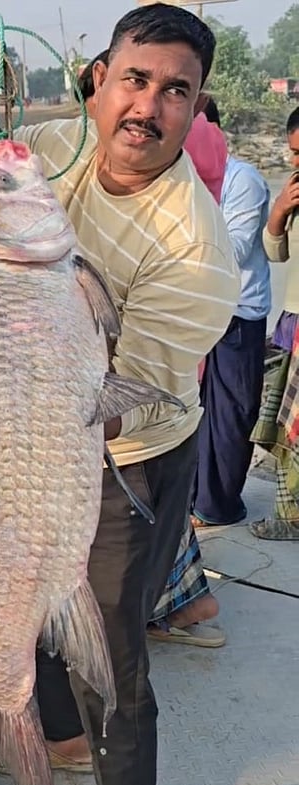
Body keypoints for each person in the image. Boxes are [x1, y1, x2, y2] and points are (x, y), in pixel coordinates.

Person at [0, 5, 237, 785]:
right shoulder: (50, 149)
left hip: (130, 455)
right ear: (100, 83)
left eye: (177, 91)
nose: (149, 106)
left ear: (197, 104)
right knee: (22, 609)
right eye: (135, 79)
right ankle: (57, 741)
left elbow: (125, 399)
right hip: (21, 427)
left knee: (109, 656)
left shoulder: (197, 248)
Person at [147, 98, 271, 648]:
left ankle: (219, 504)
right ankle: (196, 518)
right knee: (188, 420)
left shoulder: (237, 180)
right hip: (186, 315)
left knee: (230, 411)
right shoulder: (166, 182)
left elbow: (236, 248)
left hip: (235, 309)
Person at [250, 105, 299, 539]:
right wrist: (280, 212)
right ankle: (289, 515)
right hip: (293, 320)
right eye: (294, 153)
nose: (297, 162)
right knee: (288, 428)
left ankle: (290, 518)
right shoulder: (294, 192)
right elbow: (275, 252)